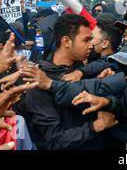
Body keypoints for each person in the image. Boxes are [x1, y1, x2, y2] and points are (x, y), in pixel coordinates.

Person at [14, 14, 118, 150]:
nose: (91, 45)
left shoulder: (86, 70)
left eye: (91, 39)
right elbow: (54, 140)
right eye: (86, 40)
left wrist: (104, 90)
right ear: (67, 41)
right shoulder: (38, 80)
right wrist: (95, 126)